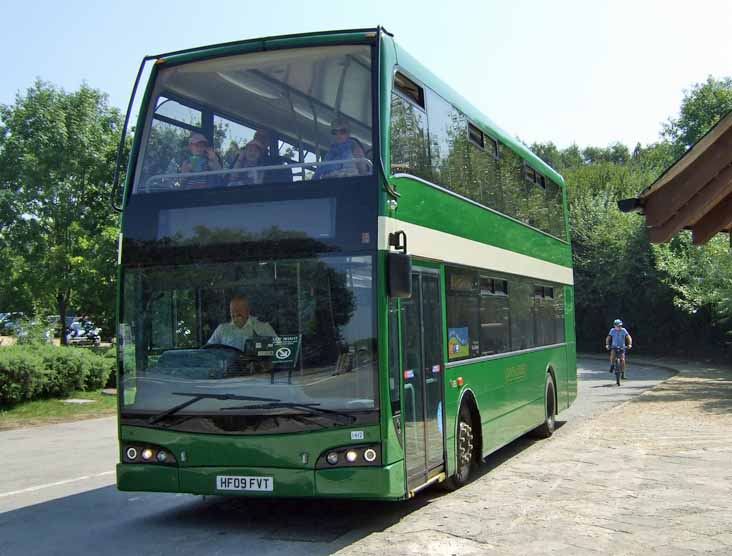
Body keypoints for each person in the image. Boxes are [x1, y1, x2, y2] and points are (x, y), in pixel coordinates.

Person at [207, 295, 277, 352]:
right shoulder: (222, 329)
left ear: (248, 310)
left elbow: (279, 348)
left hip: (257, 368)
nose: (236, 312)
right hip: (229, 368)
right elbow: (208, 350)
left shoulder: (263, 328)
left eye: (239, 309)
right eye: (233, 310)